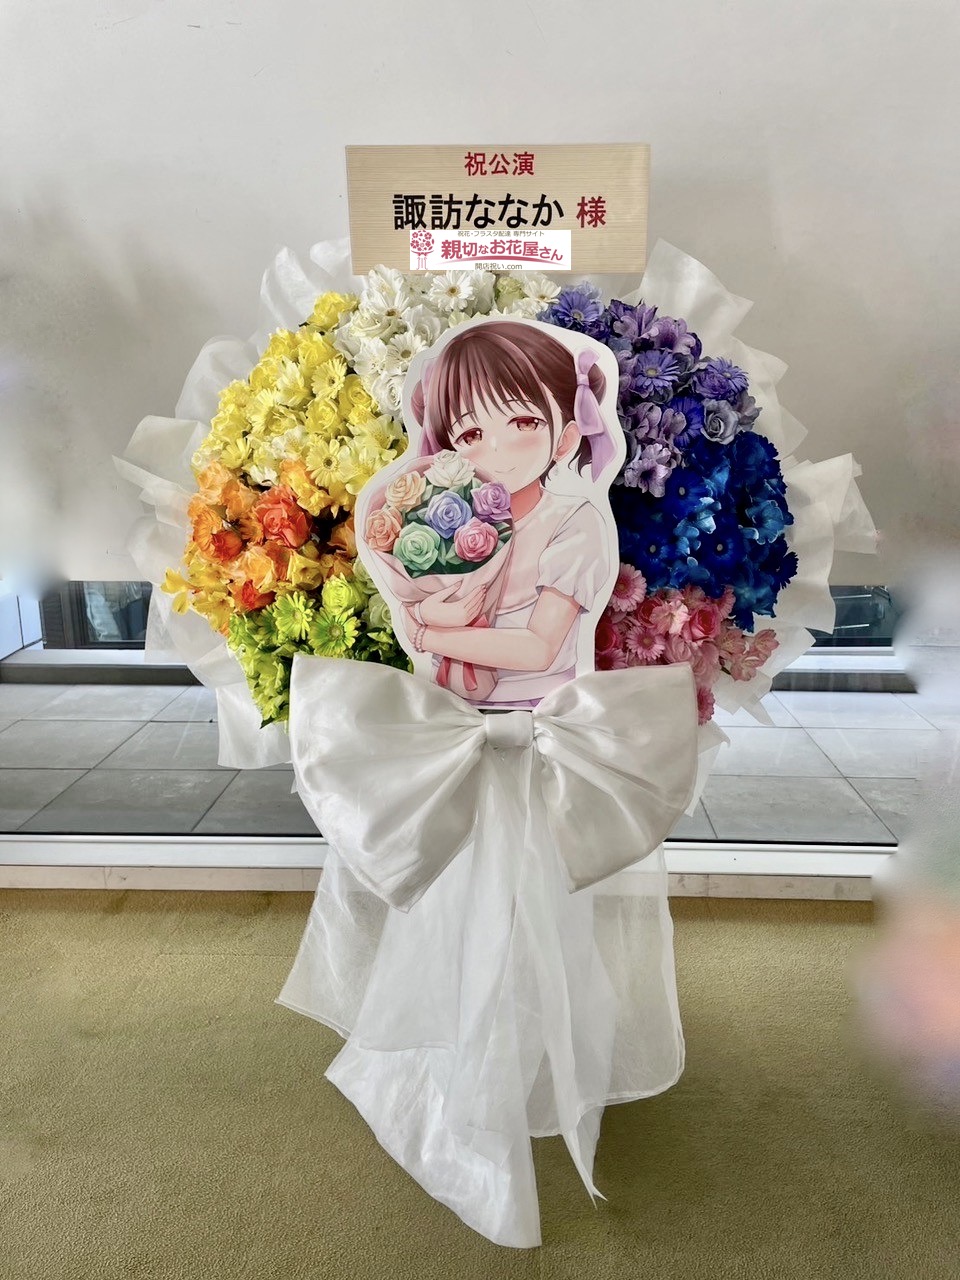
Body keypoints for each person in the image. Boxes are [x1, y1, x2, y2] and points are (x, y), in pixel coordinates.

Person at [399, 319, 623, 706]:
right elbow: (405, 600)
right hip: (444, 706)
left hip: (546, 710)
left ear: (565, 440)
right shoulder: (441, 521)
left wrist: (423, 632)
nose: (496, 449)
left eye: (524, 422)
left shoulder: (574, 523)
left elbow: (539, 649)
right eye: (471, 434)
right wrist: (421, 610)